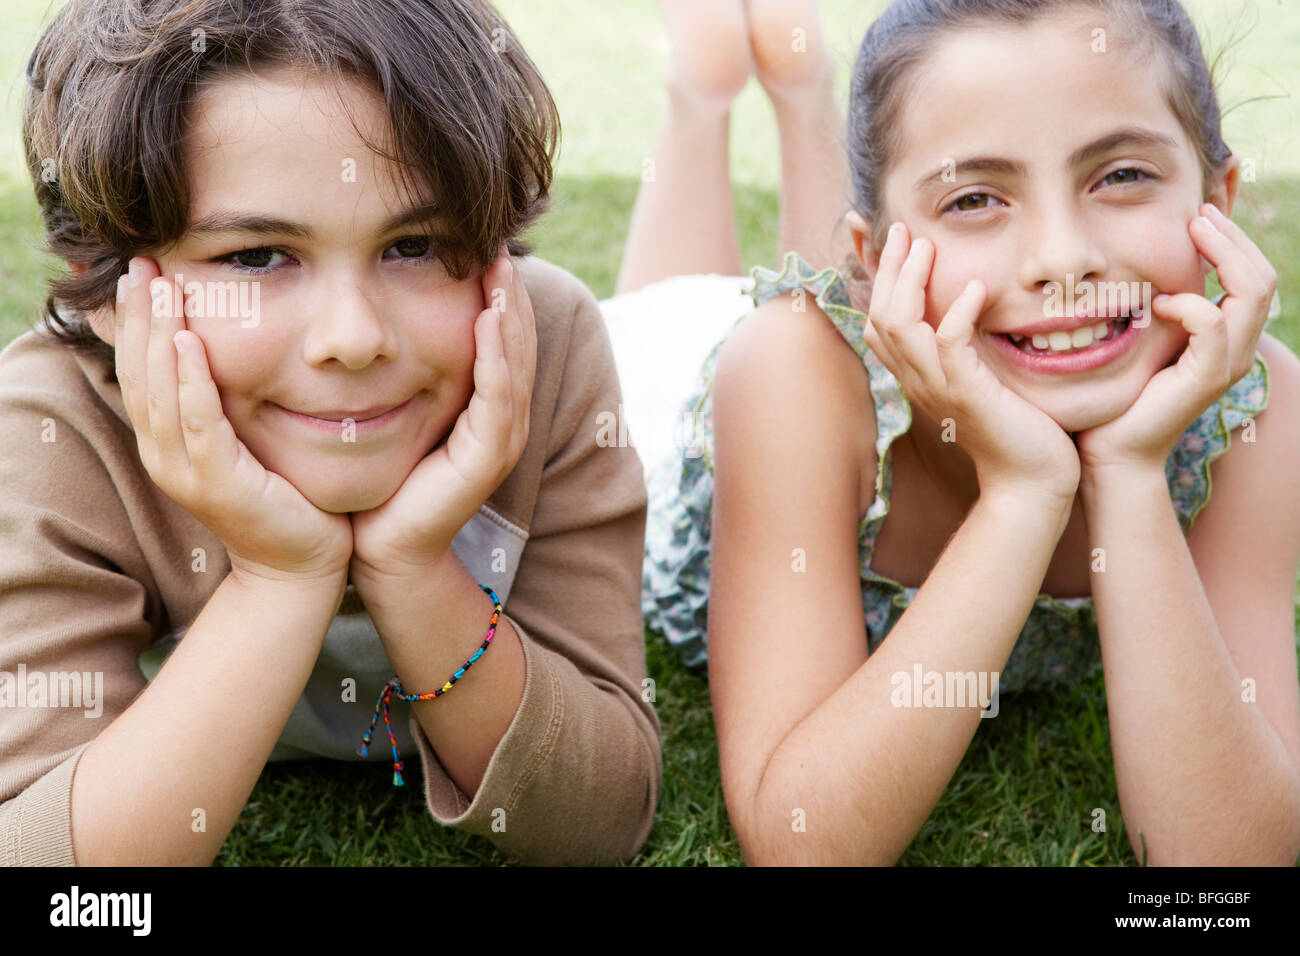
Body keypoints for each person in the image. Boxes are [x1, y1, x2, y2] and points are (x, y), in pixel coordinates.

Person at [635, 0, 1300, 865]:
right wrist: (1025, 493)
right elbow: (804, 845)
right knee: (682, 301)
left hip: (917, 317)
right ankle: (707, 91)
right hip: (664, 391)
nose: (1062, 260)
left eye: (1122, 176)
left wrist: (1131, 473)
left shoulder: (1258, 406)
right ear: (875, 262)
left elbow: (1228, 873)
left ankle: (801, 92)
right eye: (976, 197)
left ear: (1218, 200)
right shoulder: (787, 374)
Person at [0, 0, 660, 867]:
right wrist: (279, 576)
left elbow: (604, 819)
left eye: (416, 244)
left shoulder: (543, 347)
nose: (353, 338)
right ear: (107, 282)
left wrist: (413, 566)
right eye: (256, 257)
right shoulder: (56, 428)